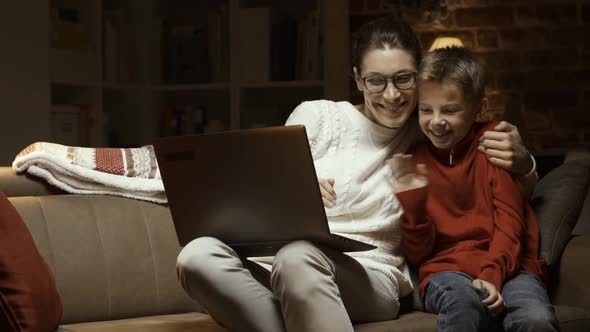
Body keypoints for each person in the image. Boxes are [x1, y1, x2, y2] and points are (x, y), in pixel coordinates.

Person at [175, 16, 537, 332]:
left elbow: (493, 178)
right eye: (376, 81)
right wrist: (292, 194)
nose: (392, 95)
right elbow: (261, 191)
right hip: (280, 269)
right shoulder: (316, 116)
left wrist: (525, 163)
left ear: (419, 77)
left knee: (298, 256)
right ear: (357, 79)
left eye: (403, 79)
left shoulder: (426, 129)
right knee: (196, 256)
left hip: (370, 275)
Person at [392, 46, 559, 331]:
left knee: (536, 319)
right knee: (462, 304)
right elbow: (419, 255)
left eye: (450, 110)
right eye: (425, 110)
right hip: (447, 271)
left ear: (479, 108)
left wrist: (491, 275)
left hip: (512, 269)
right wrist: (414, 209)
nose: (436, 121)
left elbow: (511, 224)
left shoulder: (493, 144)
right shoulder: (416, 159)